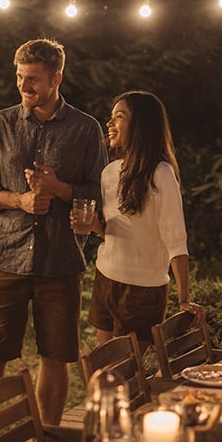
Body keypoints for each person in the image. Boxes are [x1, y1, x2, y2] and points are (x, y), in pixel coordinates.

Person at [0, 38, 107, 442]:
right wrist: (21, 200)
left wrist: (60, 188)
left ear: (57, 79)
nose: (23, 87)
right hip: (5, 259)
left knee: (56, 358)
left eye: (33, 80)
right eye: (19, 77)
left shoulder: (85, 129)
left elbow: (100, 193)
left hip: (60, 262)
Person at [71, 91, 204, 345]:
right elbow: (112, 229)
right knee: (105, 367)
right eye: (110, 118)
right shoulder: (109, 173)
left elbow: (176, 240)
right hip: (106, 277)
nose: (109, 124)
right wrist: (93, 225)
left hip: (143, 290)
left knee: (130, 373)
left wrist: (184, 298)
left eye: (119, 117)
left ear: (141, 126)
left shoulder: (161, 173)